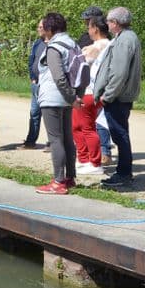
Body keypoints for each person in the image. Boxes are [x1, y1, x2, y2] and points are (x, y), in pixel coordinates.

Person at [94, 6, 142, 187]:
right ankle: (124, 172)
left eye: (108, 21)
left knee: (120, 135)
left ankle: (123, 173)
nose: (107, 24)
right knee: (121, 133)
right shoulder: (126, 37)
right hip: (120, 96)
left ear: (115, 22)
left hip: (117, 97)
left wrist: (108, 95)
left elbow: (119, 73)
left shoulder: (124, 40)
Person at [35, 12, 80, 195]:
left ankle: (58, 182)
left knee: (55, 139)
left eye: (44, 26)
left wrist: (71, 97)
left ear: (49, 29)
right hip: (67, 98)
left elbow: (58, 77)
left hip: (53, 97)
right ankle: (70, 177)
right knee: (67, 138)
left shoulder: (54, 47)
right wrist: (74, 97)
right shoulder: (73, 44)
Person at [73, 15, 111, 175]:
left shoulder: (100, 46)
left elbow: (80, 63)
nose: (88, 30)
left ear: (95, 28)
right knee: (76, 126)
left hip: (89, 91)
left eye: (89, 27)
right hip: (87, 91)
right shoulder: (102, 45)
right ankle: (84, 159)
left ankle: (95, 163)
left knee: (87, 128)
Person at [22, 20, 46, 149]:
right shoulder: (37, 43)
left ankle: (52, 143)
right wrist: (32, 77)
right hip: (36, 83)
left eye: (41, 27)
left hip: (47, 85)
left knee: (49, 115)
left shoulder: (53, 44)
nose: (38, 29)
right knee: (34, 113)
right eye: (38, 27)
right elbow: (31, 61)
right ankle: (30, 141)